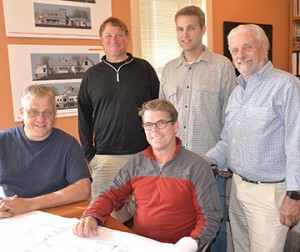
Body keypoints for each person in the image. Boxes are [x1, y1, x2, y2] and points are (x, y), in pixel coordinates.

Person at [73, 99, 222, 251]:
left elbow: (210, 218)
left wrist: (189, 245)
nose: (154, 130)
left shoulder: (197, 167)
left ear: (175, 126)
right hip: (141, 245)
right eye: (148, 125)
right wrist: (92, 215)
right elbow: (110, 193)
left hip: (179, 247)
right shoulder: (136, 163)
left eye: (161, 123)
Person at [205, 24, 300, 252]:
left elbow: (297, 142)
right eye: (235, 50)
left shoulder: (287, 86)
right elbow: (228, 141)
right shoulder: (237, 93)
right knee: (239, 248)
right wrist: (200, 162)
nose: (240, 55)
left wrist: (294, 195)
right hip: (237, 189)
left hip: (270, 195)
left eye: (247, 47)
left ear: (264, 47)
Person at [160, 5, 237, 251]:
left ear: (202, 29)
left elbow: (232, 117)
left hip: (209, 165)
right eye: (180, 29)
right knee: (179, 223)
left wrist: (225, 159)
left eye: (191, 28)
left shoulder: (222, 66)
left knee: (215, 225)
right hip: (176, 165)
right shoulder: (169, 69)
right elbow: (162, 118)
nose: (185, 34)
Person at [78, 17, 160, 205]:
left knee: (146, 214)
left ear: (126, 38)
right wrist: (89, 154)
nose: (113, 40)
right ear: (101, 39)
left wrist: (154, 150)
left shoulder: (144, 69)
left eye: (119, 35)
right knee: (102, 215)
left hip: (142, 155)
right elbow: (84, 116)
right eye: (108, 36)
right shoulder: (92, 75)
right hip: (105, 158)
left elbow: (157, 111)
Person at [0, 84, 91, 218]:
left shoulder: (68, 144)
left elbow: (83, 189)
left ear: (55, 113)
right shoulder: (3, 140)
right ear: (22, 112)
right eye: (33, 112)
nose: (41, 119)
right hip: (10, 216)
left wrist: (29, 204)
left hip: (56, 216)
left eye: (47, 112)